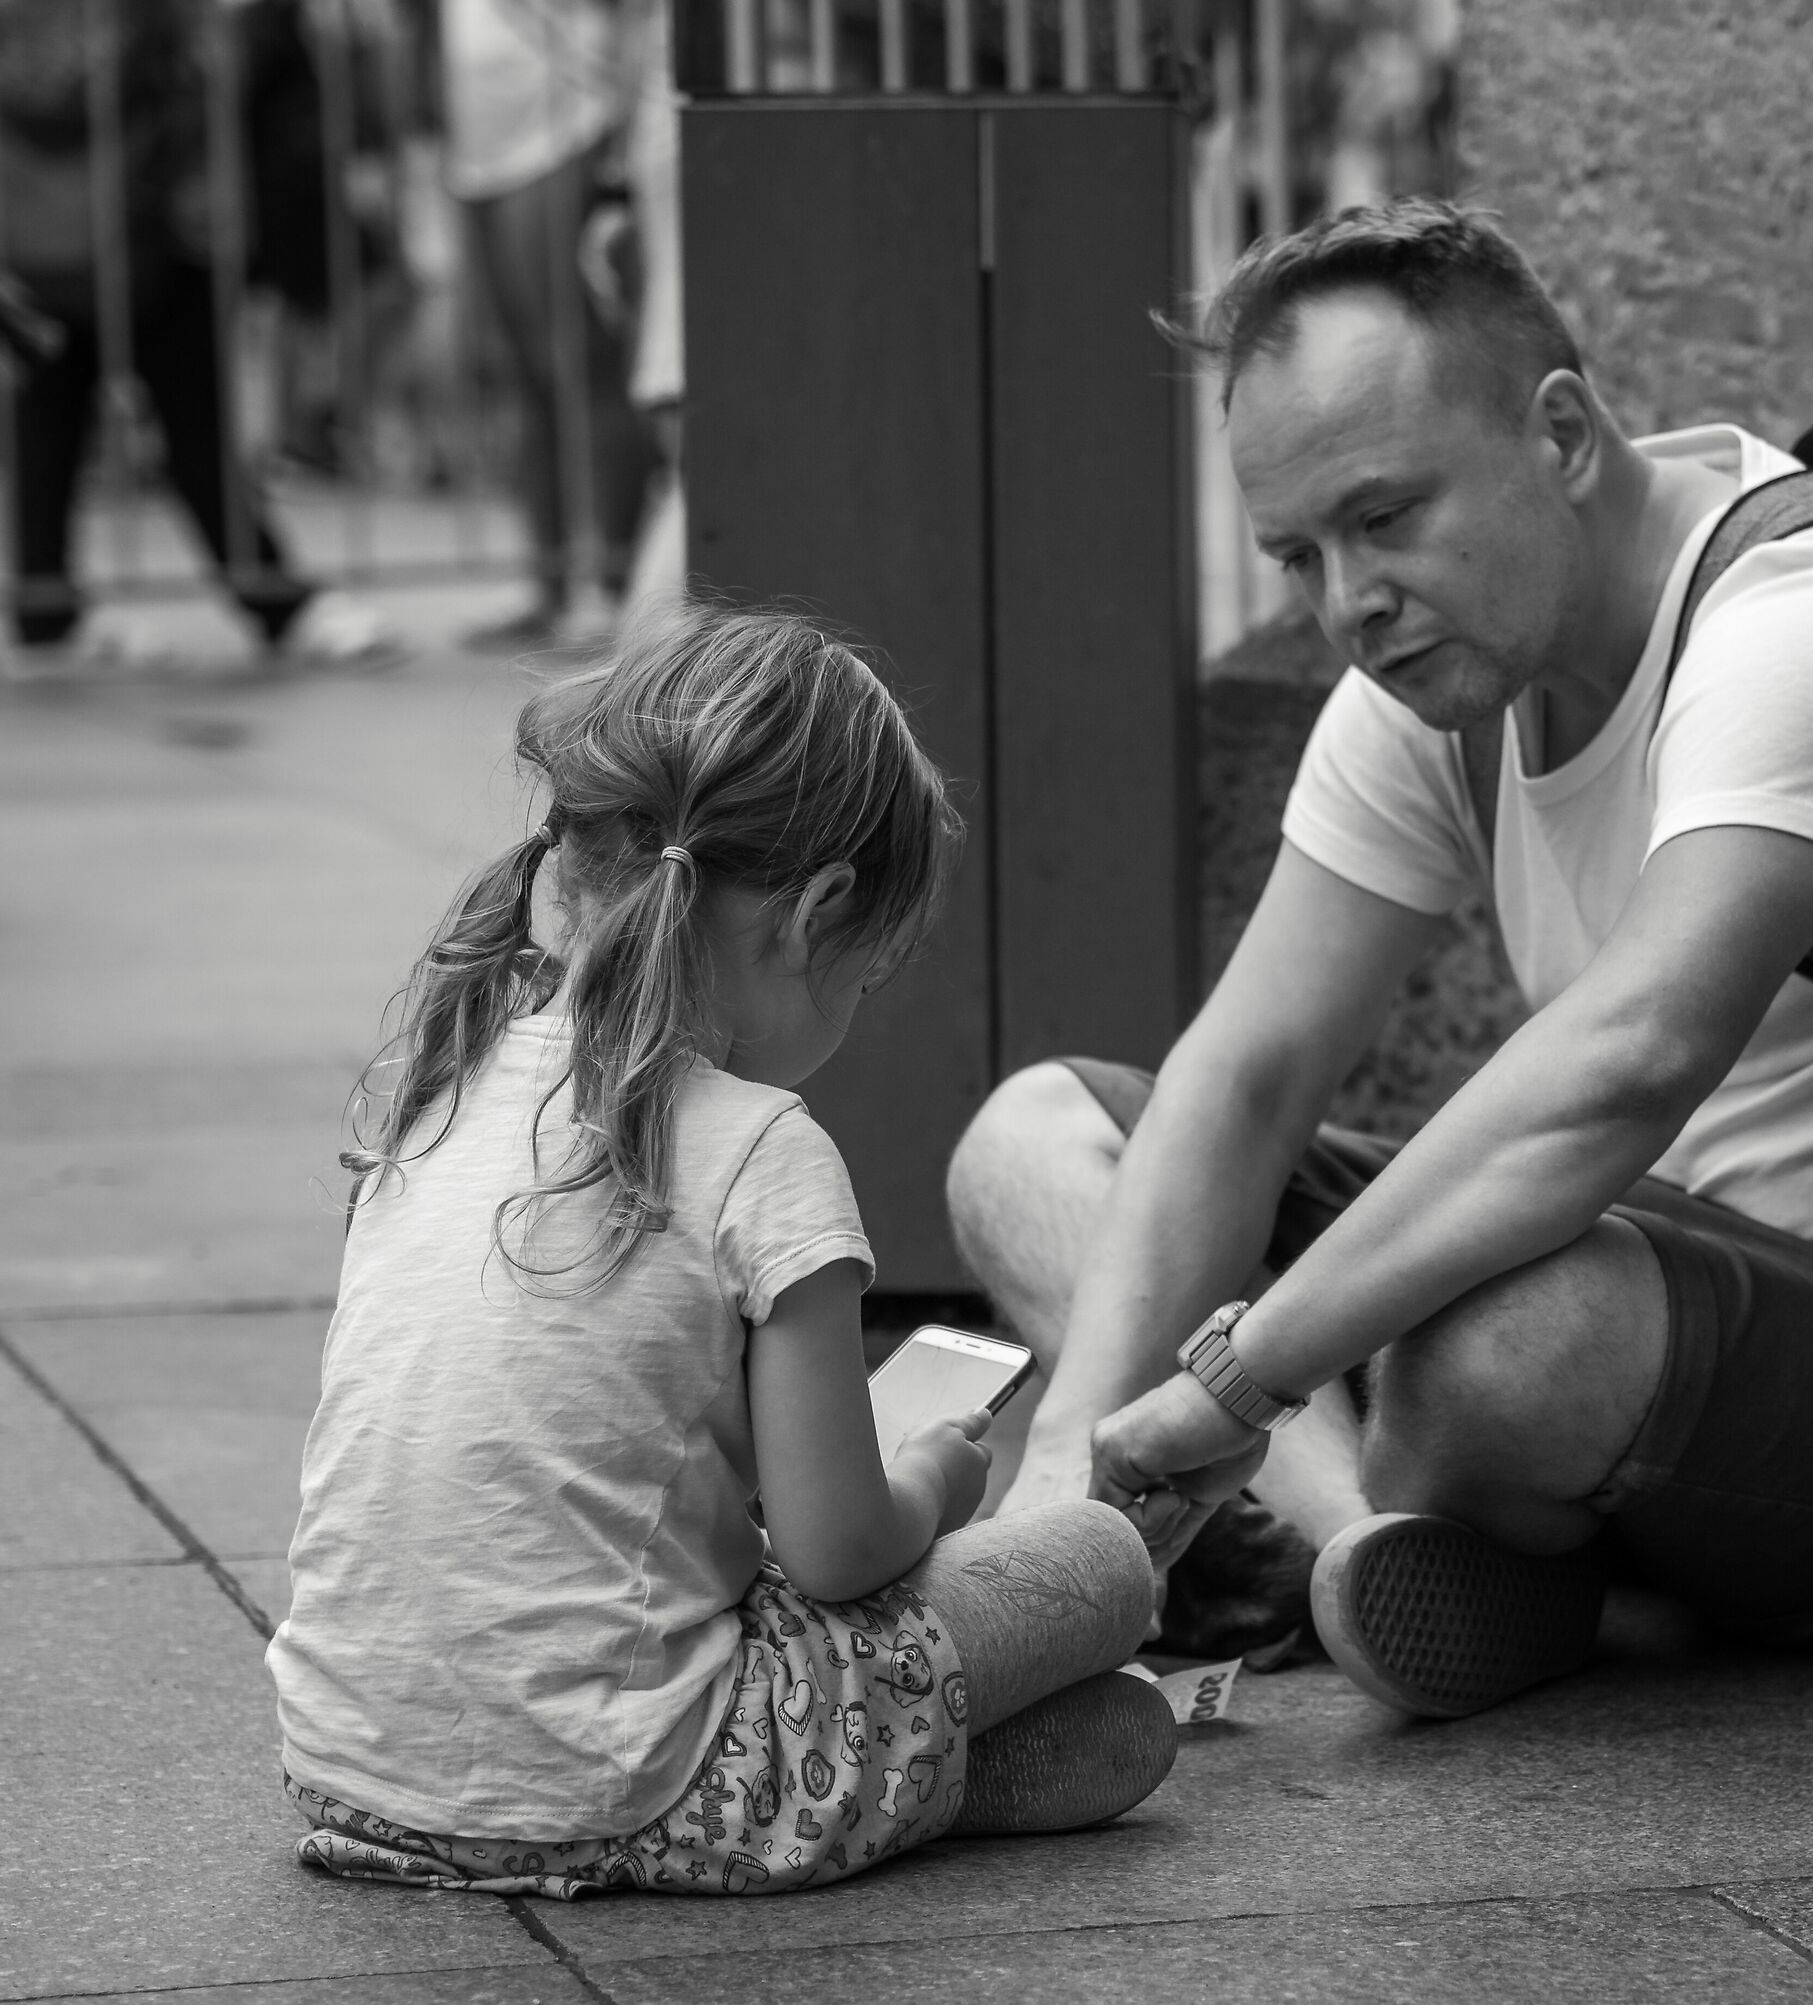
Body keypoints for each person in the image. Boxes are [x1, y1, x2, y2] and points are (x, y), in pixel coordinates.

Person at [947, 201, 1813, 1718]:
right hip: (1664, 1297)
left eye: (1385, 517)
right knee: (1037, 1143)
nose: (1348, 602)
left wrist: (1236, 1376)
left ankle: (1333, 1507)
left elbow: (1626, 1064)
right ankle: (1370, 1549)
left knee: (1498, 1339)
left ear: (1565, 436)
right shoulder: (1442, 676)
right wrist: (1067, 1464)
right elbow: (1252, 1071)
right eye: (1296, 555)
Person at [268, 602, 1173, 1899]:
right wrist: (929, 1480)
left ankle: (920, 1768)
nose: (854, 1014)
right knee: (1098, 1568)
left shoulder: (442, 1085)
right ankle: (893, 1770)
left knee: (1110, 1735)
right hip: (635, 1785)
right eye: (866, 982)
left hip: (354, 1771)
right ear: (815, 916)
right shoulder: (761, 1147)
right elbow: (837, 1553)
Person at [0, 0, 389, 667]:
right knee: (187, 421)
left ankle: (45, 610)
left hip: (42, 235)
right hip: (155, 227)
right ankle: (276, 601)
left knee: (51, 416)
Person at [438, 0, 658, 648]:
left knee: (582, 366)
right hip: (477, 142)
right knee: (523, 376)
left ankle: (616, 582)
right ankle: (550, 581)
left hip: (561, 123)